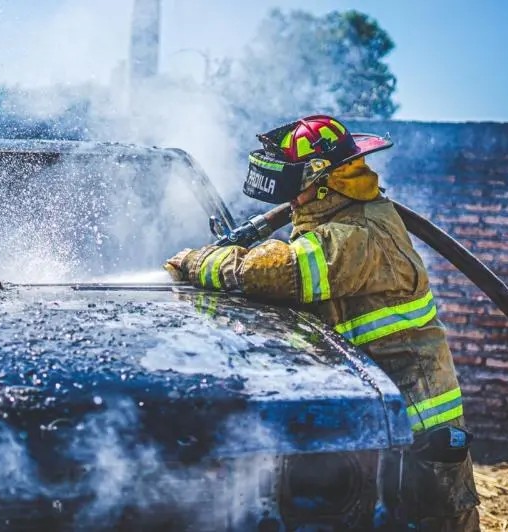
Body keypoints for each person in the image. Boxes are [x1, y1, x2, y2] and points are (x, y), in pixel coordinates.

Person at [164, 115, 480, 530]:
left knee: (429, 521)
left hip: (418, 427)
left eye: (297, 188)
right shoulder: (341, 219)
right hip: (382, 416)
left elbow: (272, 272)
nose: (292, 200)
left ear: (322, 180)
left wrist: (201, 261)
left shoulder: (359, 232)